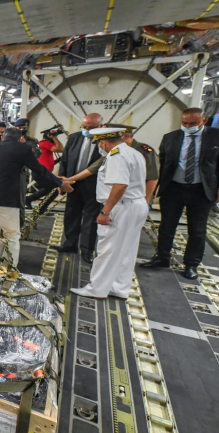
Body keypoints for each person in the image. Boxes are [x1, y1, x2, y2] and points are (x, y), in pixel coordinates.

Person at [71, 128, 149, 299]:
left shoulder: (116, 156)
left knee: (107, 250)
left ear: (103, 143)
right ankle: (119, 288)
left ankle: (96, 289)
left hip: (121, 207)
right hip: (136, 204)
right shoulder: (134, 153)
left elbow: (120, 185)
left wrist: (105, 211)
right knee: (127, 250)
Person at [141, 108, 219, 279]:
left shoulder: (215, 137)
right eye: (184, 123)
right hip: (173, 188)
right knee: (167, 226)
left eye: (193, 124)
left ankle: (191, 264)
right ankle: (162, 258)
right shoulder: (170, 138)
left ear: (204, 121)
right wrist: (154, 189)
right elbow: (163, 164)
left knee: (197, 230)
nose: (188, 126)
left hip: (201, 190)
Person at [0, 128, 72, 263]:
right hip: (6, 200)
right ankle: (9, 267)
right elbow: (40, 169)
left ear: (3, 137)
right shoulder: (22, 149)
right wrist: (60, 183)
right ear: (20, 138)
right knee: (12, 235)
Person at [63, 123, 159, 204]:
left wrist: (145, 200)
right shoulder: (114, 150)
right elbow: (93, 168)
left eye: (115, 137)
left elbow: (153, 178)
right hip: (117, 199)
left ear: (126, 136)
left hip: (135, 199)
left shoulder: (144, 151)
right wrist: (68, 180)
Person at [56, 113, 104, 263]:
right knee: (71, 215)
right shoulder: (74, 138)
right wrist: (61, 182)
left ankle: (87, 251)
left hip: (94, 186)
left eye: (91, 128)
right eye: (84, 127)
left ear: (100, 126)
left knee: (90, 219)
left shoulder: (104, 142)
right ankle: (70, 244)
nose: (87, 130)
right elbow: (64, 160)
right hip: (72, 184)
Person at [26, 126, 64, 213]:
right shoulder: (45, 143)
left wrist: (57, 160)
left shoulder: (43, 144)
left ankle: (29, 199)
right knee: (54, 191)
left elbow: (45, 160)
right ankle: (41, 209)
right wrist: (54, 137)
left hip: (42, 172)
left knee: (48, 189)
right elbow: (60, 149)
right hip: (41, 172)